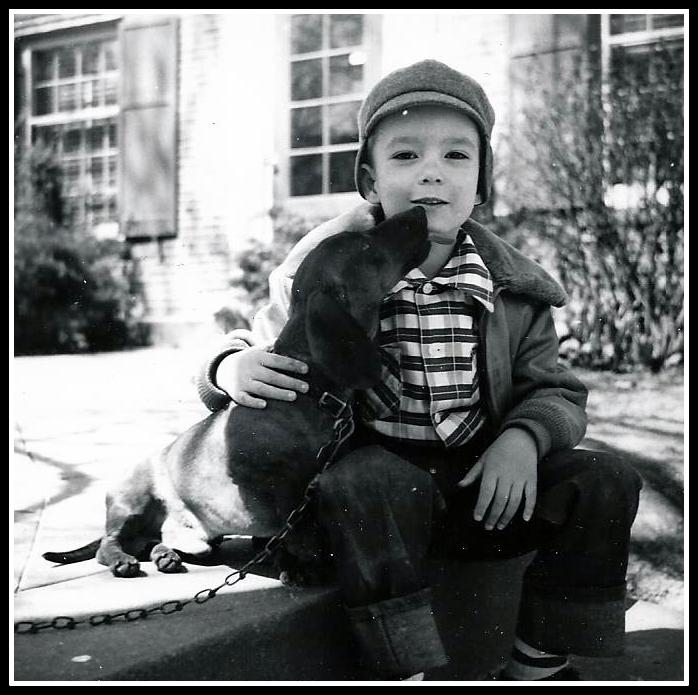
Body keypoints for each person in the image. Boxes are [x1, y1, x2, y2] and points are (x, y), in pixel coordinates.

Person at [195, 59, 642, 681]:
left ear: (482, 183)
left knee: (605, 478)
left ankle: (537, 661)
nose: (432, 171)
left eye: (456, 156)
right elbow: (273, 342)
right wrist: (229, 366)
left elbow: (555, 390)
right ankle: (404, 665)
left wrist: (523, 439)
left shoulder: (514, 291)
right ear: (370, 179)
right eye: (406, 155)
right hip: (379, 508)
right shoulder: (329, 268)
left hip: (486, 490)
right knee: (367, 478)